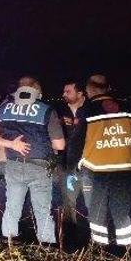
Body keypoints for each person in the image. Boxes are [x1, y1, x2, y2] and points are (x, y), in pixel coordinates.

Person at [0, 76, 65, 244]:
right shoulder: (46, 110)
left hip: (13, 165)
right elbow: (60, 145)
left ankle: (9, 246)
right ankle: (47, 249)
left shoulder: (5, 109)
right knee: (42, 211)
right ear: (37, 92)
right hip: (40, 167)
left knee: (12, 207)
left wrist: (11, 144)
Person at [77, 74, 131, 247]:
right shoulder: (129, 107)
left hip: (96, 170)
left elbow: (78, 141)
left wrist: (72, 167)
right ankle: (126, 252)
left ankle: (99, 251)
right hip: (124, 168)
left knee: (97, 212)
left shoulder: (87, 110)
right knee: (121, 212)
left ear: (91, 89)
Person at [57, 80, 88, 223]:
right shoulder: (59, 111)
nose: (64, 94)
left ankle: (96, 240)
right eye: (64, 91)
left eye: (68, 91)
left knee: (94, 201)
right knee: (68, 202)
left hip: (89, 164)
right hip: (66, 164)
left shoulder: (91, 109)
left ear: (80, 93)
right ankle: (70, 237)